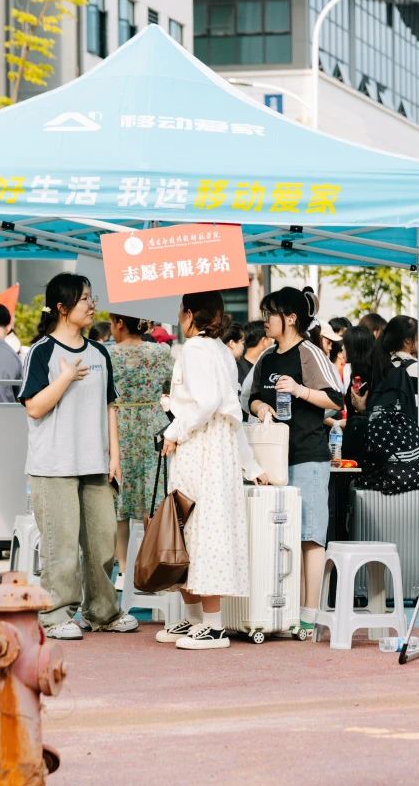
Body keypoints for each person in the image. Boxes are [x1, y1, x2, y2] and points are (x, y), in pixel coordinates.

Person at [18, 274, 137, 640]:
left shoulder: (100, 352)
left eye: (91, 297)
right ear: (62, 307)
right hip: (54, 466)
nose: (92, 304)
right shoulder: (42, 352)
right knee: (62, 546)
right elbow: (34, 407)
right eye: (85, 299)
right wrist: (66, 377)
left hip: (95, 464)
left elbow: (110, 406)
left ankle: (103, 612)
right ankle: (54, 615)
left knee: (102, 543)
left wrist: (114, 456)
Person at [152, 292, 264, 649]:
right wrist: (250, 464)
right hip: (218, 447)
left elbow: (207, 403)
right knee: (196, 529)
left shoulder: (195, 350)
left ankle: (211, 625)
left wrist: (174, 430)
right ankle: (196, 620)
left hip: (200, 448)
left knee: (195, 528)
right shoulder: (221, 351)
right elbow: (228, 410)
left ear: (189, 313)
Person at [248, 287, 343, 638]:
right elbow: (250, 398)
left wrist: (301, 391)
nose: (264, 320)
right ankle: (284, 610)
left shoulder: (309, 353)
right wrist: (262, 407)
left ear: (290, 318)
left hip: (307, 456)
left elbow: (336, 400)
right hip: (273, 459)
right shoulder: (266, 357)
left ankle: (309, 614)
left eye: (269, 313)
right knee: (279, 535)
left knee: (309, 536)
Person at [107, 314, 173, 571]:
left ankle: (124, 567)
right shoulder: (161, 352)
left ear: (120, 323)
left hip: (119, 425)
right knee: (153, 494)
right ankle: (150, 564)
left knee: (119, 498)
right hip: (152, 425)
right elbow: (171, 385)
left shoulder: (108, 354)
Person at [340, 324, 389, 470]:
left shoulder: (369, 376)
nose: (342, 350)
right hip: (359, 441)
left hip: (364, 448)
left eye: (345, 346)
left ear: (354, 348)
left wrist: (362, 410)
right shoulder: (359, 372)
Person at [237, 320, 273, 417]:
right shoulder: (236, 368)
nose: (272, 342)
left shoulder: (267, 365)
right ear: (264, 340)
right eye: (270, 339)